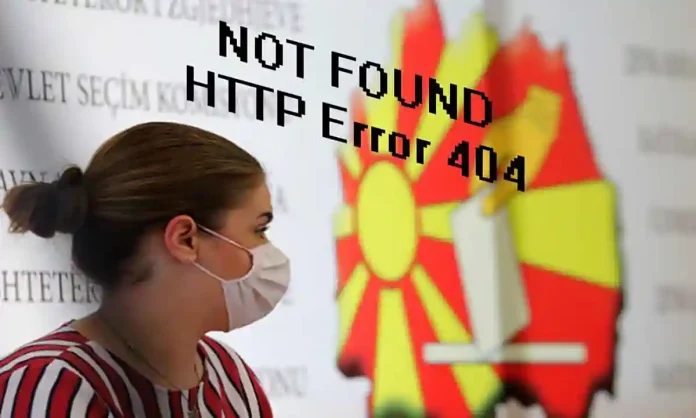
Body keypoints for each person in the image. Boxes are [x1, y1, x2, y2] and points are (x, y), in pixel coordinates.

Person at [0, 122, 288, 417]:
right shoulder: (49, 387)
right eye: (259, 229)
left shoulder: (229, 375)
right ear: (185, 239)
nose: (269, 250)